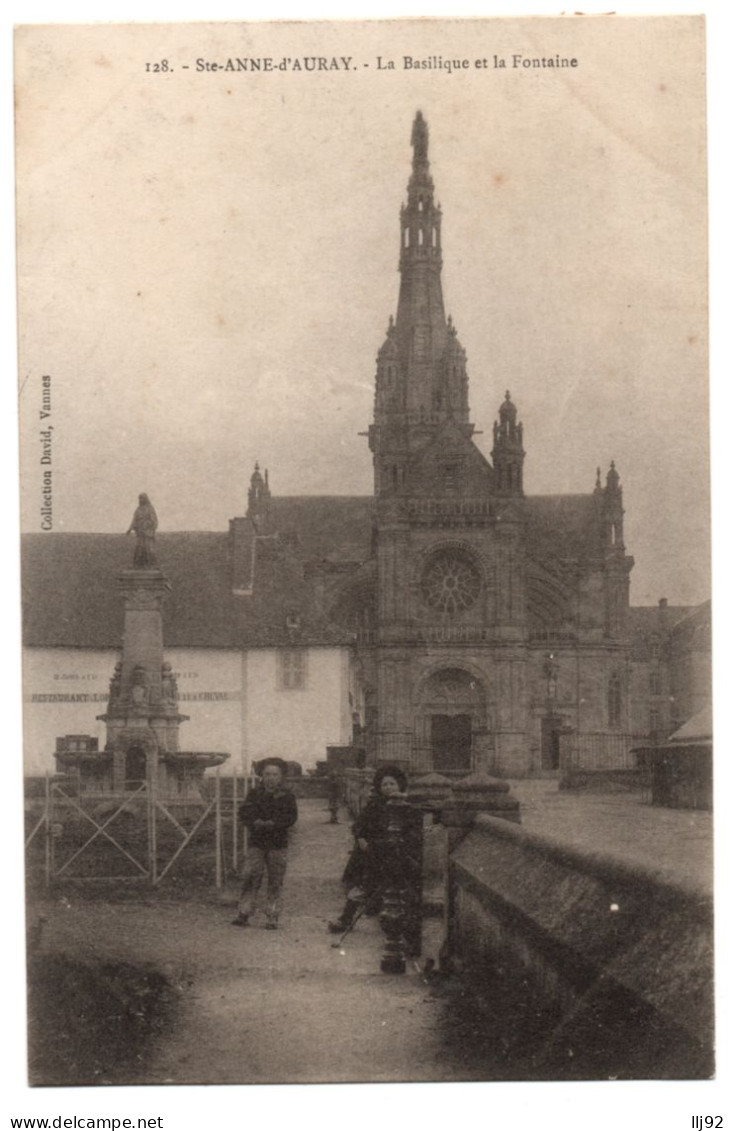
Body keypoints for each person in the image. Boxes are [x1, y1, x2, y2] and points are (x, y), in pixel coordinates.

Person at [327, 764, 407, 935]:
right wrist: (361, 839)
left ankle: (394, 925)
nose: (388, 788)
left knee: (395, 890)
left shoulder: (405, 806)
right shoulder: (374, 805)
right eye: (384, 785)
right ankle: (346, 919)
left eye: (392, 784)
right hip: (370, 854)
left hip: (393, 854)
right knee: (360, 887)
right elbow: (359, 826)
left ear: (400, 785)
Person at [232, 758, 298, 930]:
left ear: (281, 777)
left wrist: (274, 824)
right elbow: (244, 813)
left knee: (275, 879)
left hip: (277, 844)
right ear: (261, 775)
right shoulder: (254, 794)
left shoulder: (287, 796)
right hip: (257, 843)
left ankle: (272, 915)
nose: (270, 778)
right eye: (267, 774)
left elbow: (291, 818)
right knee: (251, 875)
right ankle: (244, 912)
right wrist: (255, 822)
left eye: (275, 774)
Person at [126, 493, 158, 568]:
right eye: (140, 499)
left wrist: (147, 525)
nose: (141, 500)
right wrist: (130, 529)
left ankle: (151, 565)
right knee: (139, 549)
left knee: (148, 549)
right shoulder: (138, 509)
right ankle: (138, 565)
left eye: (142, 498)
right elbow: (134, 520)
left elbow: (154, 520)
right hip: (140, 533)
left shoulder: (150, 508)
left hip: (147, 533)